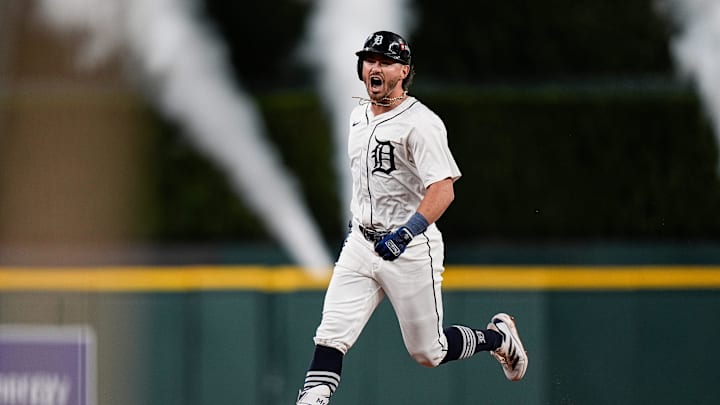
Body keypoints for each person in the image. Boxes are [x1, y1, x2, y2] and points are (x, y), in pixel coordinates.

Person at [295, 30, 528, 405]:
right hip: (361, 244)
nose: (375, 67)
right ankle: (312, 399)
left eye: (386, 62)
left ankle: (498, 338)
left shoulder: (422, 123)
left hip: (410, 247)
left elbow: (443, 189)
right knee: (331, 335)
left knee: (428, 352)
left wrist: (405, 233)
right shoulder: (358, 117)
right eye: (370, 60)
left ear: (403, 71)